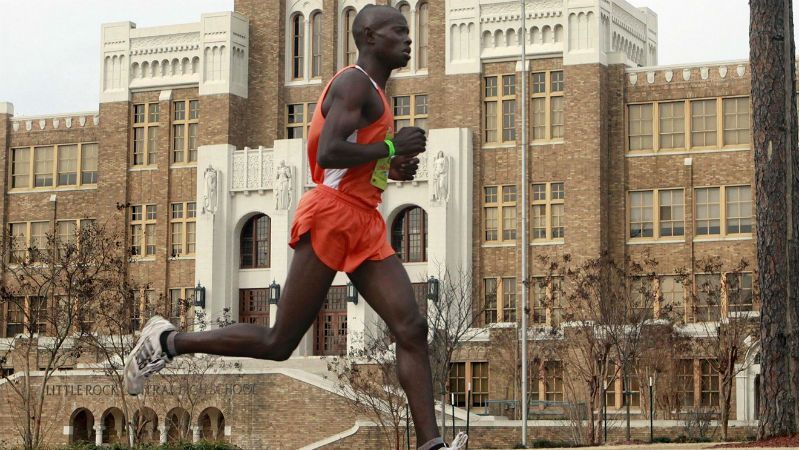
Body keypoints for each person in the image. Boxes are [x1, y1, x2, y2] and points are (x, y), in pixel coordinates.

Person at [124, 5, 466, 450]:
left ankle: (430, 444)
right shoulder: (352, 84)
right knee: (279, 341)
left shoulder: (376, 93)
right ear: (367, 35)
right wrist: (388, 145)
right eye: (397, 31)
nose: (408, 38)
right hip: (332, 216)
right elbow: (327, 153)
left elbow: (354, 161)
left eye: (407, 31)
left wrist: (390, 166)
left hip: (364, 222)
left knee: (411, 328)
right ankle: (168, 342)